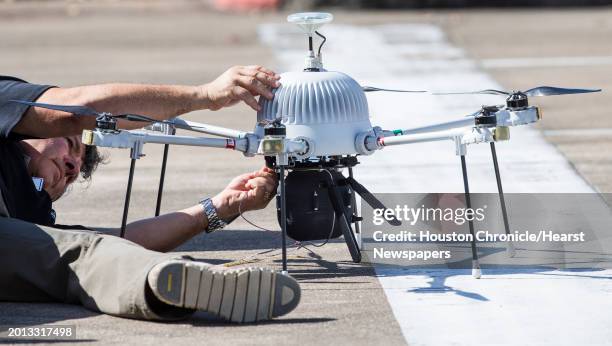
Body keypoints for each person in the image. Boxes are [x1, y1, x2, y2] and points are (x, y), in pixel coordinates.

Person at [0, 66, 300, 323]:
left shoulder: (31, 215)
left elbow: (113, 246)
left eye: (73, 175)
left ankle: (175, 286)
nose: (71, 167)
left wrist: (220, 208)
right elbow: (79, 109)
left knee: (84, 254)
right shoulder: (6, 98)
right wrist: (206, 95)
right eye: (70, 145)